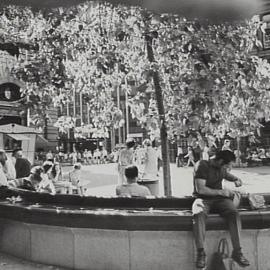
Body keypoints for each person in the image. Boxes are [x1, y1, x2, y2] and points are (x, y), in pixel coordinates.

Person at [192, 150, 250, 268]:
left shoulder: (222, 167)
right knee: (198, 214)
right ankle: (201, 253)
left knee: (234, 213)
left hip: (220, 199)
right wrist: (221, 192)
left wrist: (236, 179)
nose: (229, 168)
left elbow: (227, 175)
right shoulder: (202, 165)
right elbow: (201, 189)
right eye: (228, 165)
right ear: (220, 161)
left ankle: (237, 252)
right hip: (203, 199)